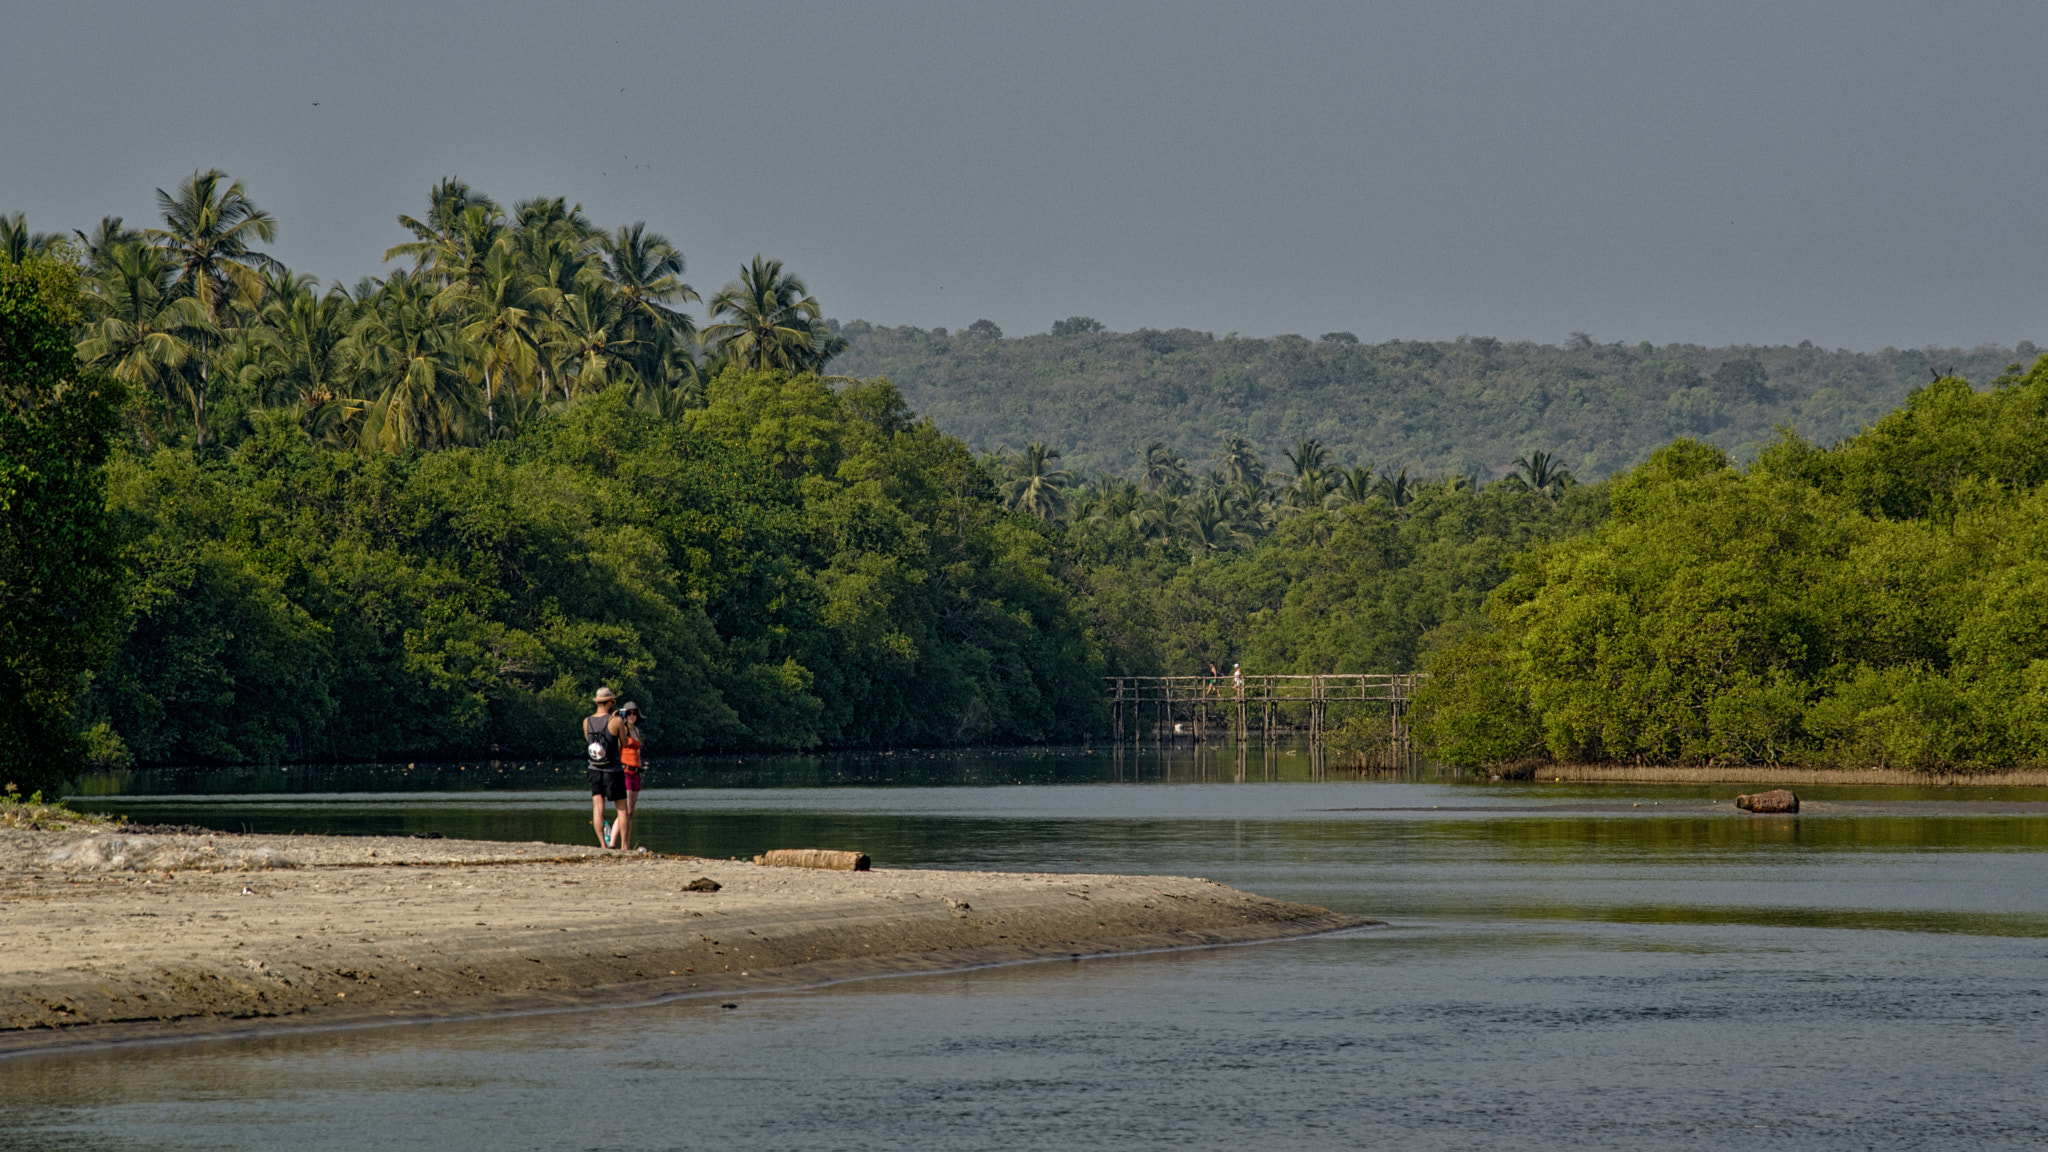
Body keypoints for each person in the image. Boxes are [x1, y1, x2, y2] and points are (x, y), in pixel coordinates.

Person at [586, 687, 628, 848]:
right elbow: (624, 743)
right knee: (622, 808)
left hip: (594, 769)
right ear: (611, 702)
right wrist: (622, 725)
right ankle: (624, 845)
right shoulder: (615, 721)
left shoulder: (586, 722)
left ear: (597, 702)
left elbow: (590, 743)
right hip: (613, 770)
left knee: (598, 807)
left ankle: (603, 845)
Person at [613, 702, 646, 851]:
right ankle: (614, 843)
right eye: (629, 713)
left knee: (630, 811)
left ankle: (626, 843)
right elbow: (617, 748)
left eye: (635, 713)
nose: (632, 716)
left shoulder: (636, 731)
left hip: (636, 772)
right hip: (625, 771)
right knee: (624, 810)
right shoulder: (623, 730)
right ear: (625, 715)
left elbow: (637, 751)